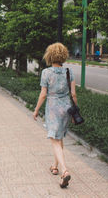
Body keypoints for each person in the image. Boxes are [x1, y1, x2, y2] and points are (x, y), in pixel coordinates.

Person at [33, 42, 78, 188]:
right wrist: (75, 110)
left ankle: (64, 171)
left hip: (52, 109)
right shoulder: (68, 72)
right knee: (59, 138)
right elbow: (73, 94)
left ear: (49, 55)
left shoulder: (46, 73)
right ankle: (55, 166)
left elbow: (43, 94)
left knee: (54, 139)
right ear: (63, 55)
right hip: (66, 109)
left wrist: (36, 110)